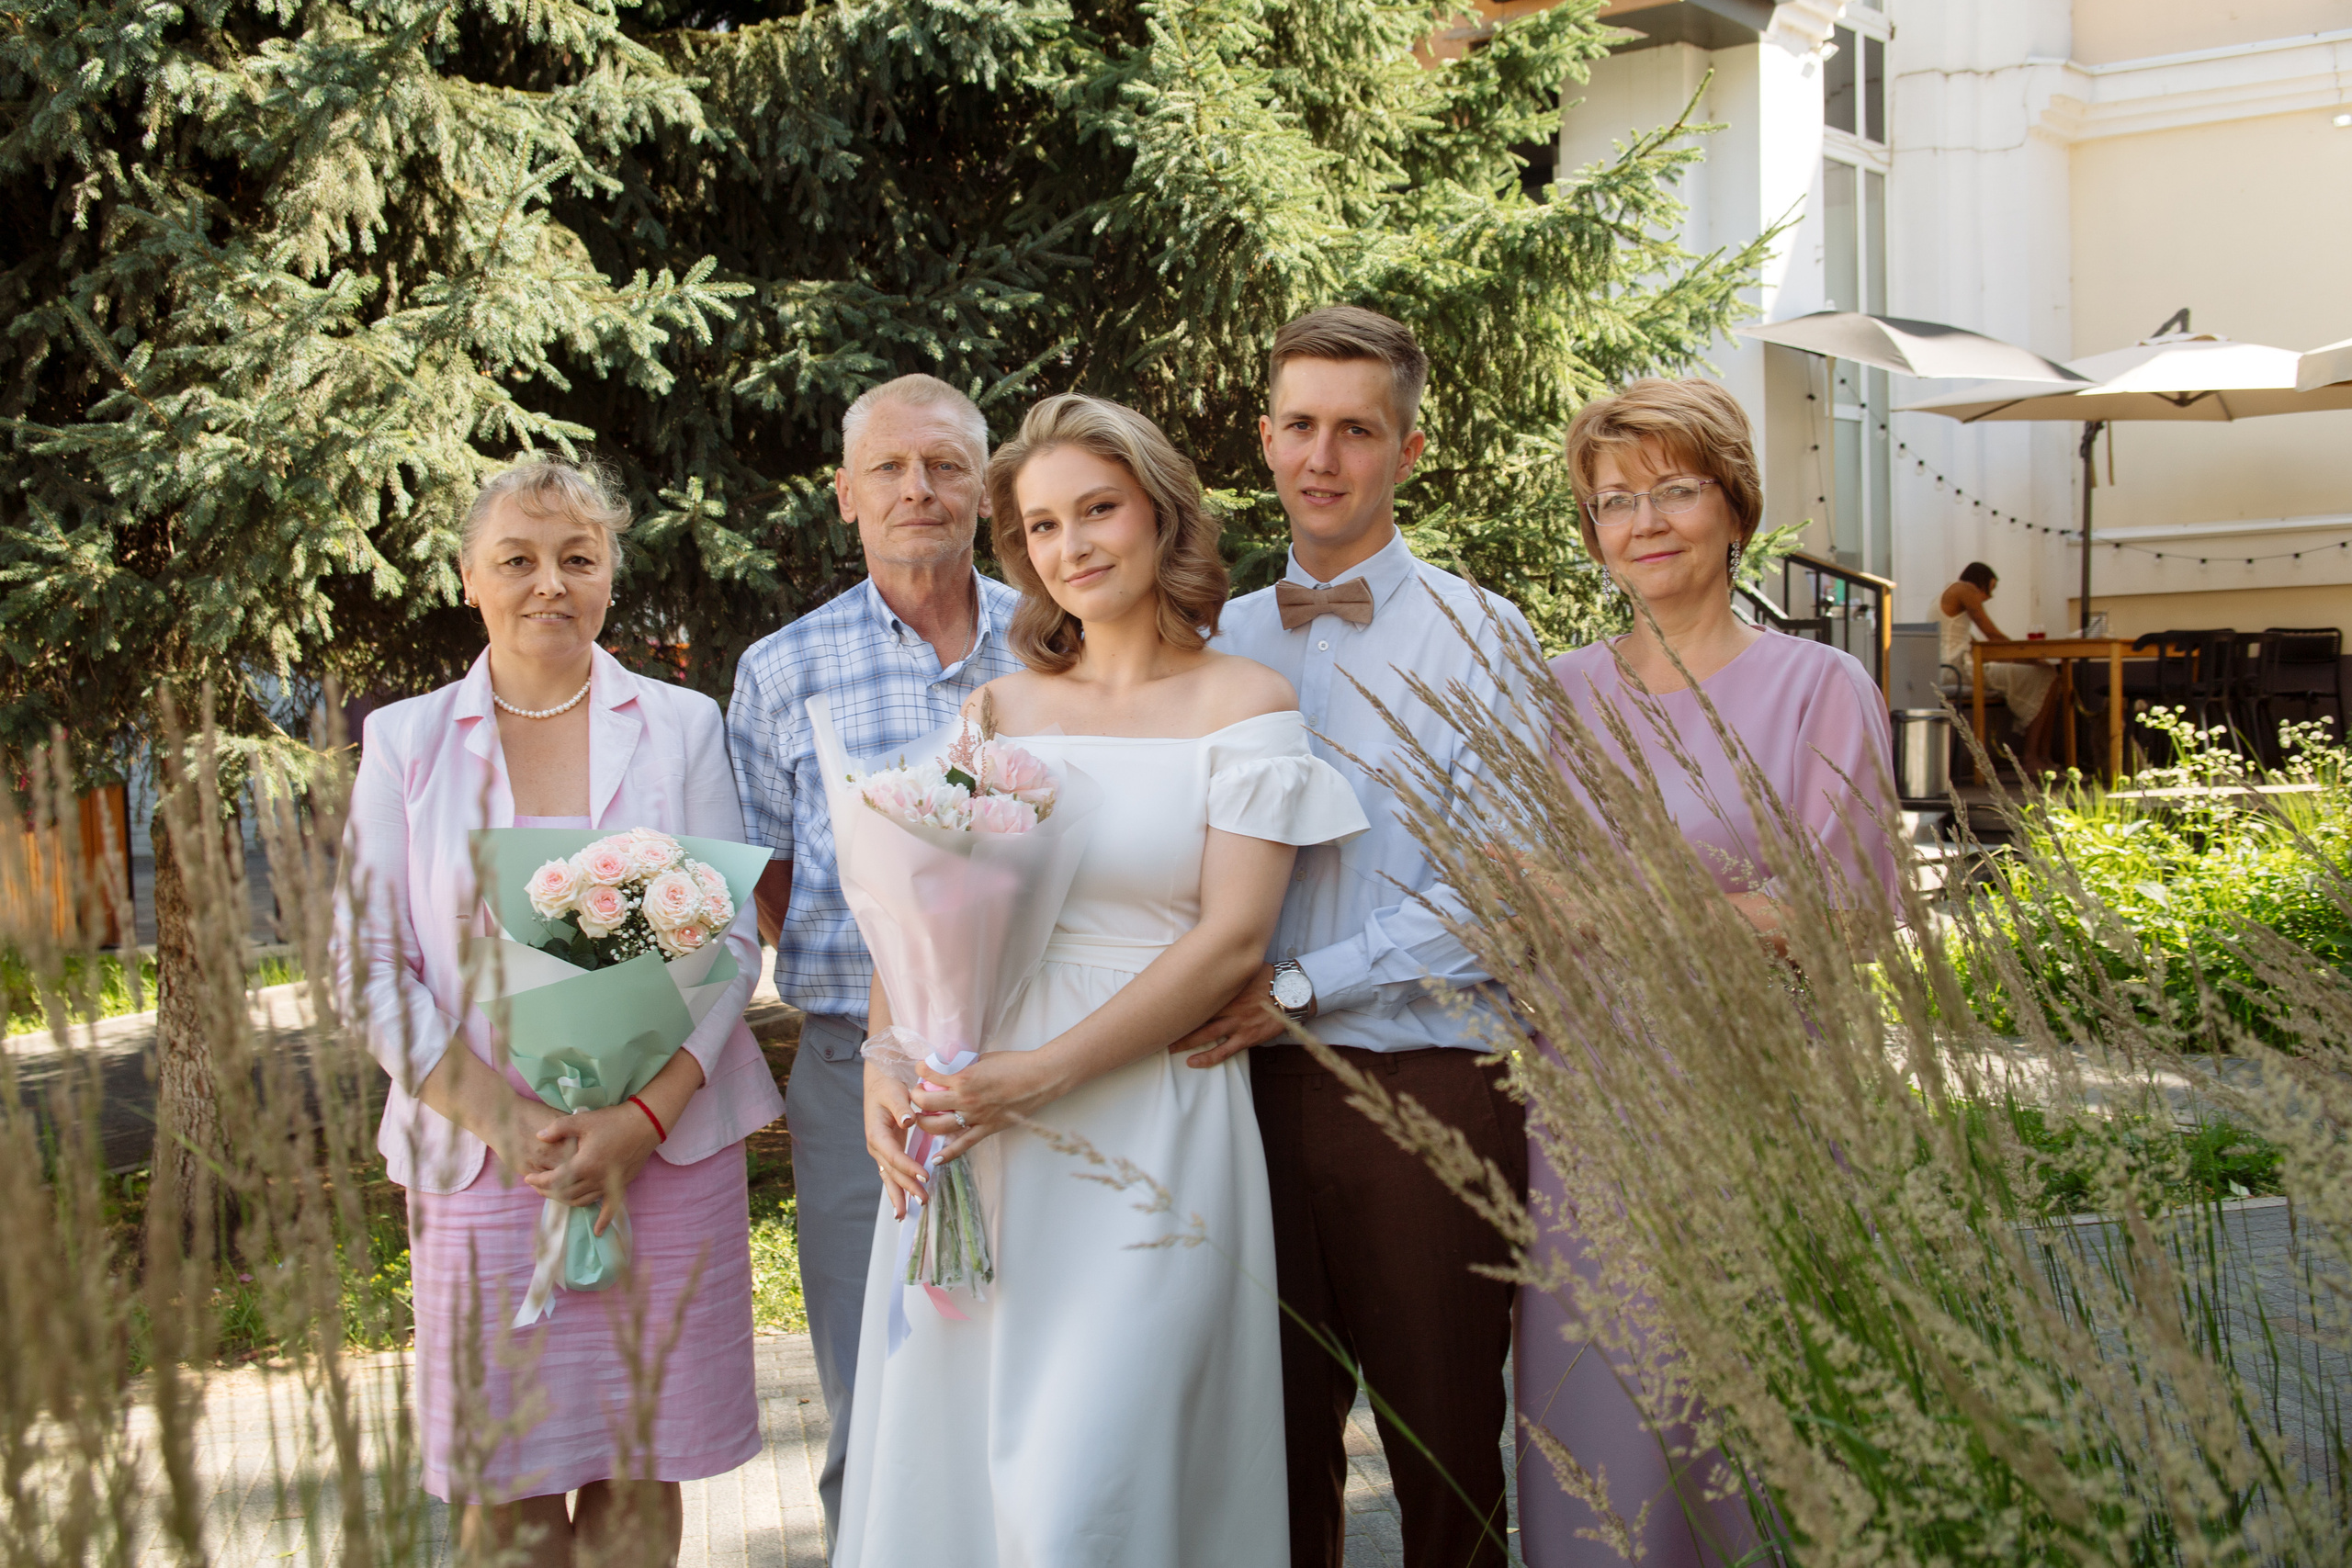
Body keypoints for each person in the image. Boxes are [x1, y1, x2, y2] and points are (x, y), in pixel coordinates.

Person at [832, 393, 1368, 1565]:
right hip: (976, 1121)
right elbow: (919, 914)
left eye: (1097, 511)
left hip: (1147, 1122)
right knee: (964, 1475)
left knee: (1095, 1483)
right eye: (1038, 527)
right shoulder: (999, 708)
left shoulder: (1248, 703)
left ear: (1160, 515)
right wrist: (885, 1058)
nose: (1070, 547)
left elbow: (1232, 940)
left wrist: (1044, 1075)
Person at [338, 457, 782, 1567]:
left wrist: (640, 1122)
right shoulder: (406, 741)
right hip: (487, 1164)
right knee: (511, 1489)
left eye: (578, 559)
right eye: (519, 559)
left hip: (663, 1159)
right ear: (467, 578)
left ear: (610, 576)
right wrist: (503, 1120)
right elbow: (367, 962)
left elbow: (727, 940)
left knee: (639, 1468)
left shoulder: (680, 725)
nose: (550, 583)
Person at [1526, 378, 1900, 1566]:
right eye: (1613, 500)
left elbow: (1849, 911)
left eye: (1674, 490)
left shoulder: (1817, 688)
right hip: (1585, 1122)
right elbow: (1516, 894)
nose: (1643, 521)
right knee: (1603, 1441)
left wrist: (1620, 907)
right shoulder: (1552, 694)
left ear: (1734, 505)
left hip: (1760, 1103)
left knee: (1757, 1430)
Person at [1195, 304, 1536, 1568]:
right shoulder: (1207, 639)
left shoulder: (1485, 638)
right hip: (1227, 1101)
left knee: (1446, 1457)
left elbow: (1494, 894)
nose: (1322, 457)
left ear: (1410, 447)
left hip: (1424, 1090)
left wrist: (1297, 984)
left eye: (1356, 428)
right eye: (1299, 426)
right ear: (1266, 439)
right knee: (1263, 1465)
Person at [725, 373, 1025, 1540]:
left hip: (1044, 1067)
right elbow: (765, 878)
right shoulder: (780, 669)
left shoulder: (1058, 642)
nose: (919, 488)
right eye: (891, 469)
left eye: (945, 465)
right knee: (873, 1387)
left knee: (1028, 1388)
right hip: (858, 1075)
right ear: (844, 496)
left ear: (985, 491)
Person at [1939, 559, 2059, 776]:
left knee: (2044, 673)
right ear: (1981, 583)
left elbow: (1978, 646)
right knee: (2046, 674)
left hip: (1949, 667)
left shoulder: (1950, 599)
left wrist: (2023, 660)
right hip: (1956, 671)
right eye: (1991, 589)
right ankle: (2032, 757)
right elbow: (1992, 635)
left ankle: (2042, 756)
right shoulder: (1965, 589)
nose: (1989, 597)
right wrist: (2028, 657)